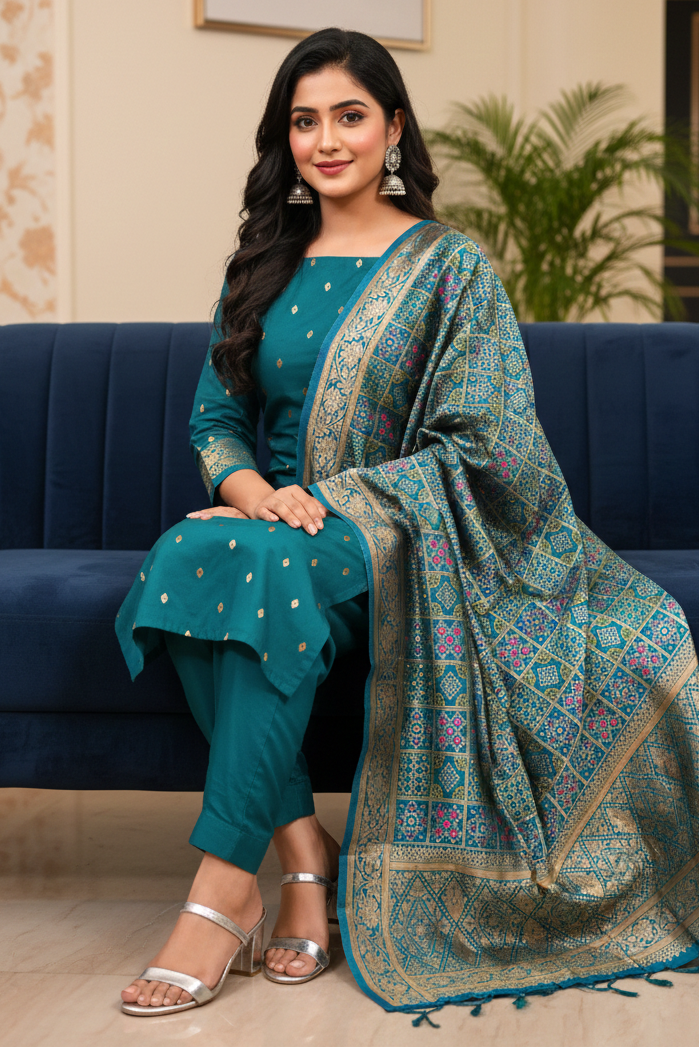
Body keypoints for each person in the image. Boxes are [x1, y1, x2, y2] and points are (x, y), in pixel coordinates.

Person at [117, 27, 699, 1019]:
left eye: (350, 116)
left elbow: (487, 449)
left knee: (229, 562)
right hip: (283, 539)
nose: (326, 139)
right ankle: (305, 859)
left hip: (408, 538)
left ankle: (222, 888)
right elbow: (216, 419)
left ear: (394, 128)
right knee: (202, 549)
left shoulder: (449, 265)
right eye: (305, 120)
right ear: (285, 139)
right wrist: (260, 496)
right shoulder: (262, 261)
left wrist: (337, 499)